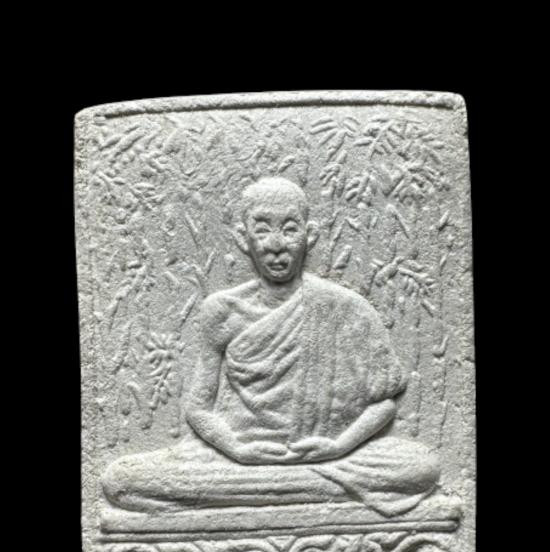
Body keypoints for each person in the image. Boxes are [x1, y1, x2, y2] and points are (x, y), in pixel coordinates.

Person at [103, 177, 440, 514]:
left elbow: (384, 404)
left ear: (309, 235)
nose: (276, 245)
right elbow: (199, 409)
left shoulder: (345, 307)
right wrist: (237, 451)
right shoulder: (222, 311)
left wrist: (339, 446)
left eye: (290, 230)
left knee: (420, 467)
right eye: (262, 230)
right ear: (243, 238)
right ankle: (306, 489)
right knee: (122, 480)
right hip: (237, 457)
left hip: (330, 455)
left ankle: (261, 491)